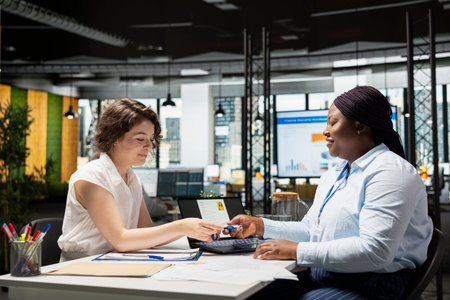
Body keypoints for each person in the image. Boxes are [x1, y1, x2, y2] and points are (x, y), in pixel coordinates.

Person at [226, 86, 434, 299]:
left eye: (333, 123)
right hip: (327, 273)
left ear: (359, 126)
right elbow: (311, 231)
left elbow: (375, 251)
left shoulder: (390, 172)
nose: (325, 130)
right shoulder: (336, 174)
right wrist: (260, 225)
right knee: (250, 293)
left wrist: (296, 250)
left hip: (372, 284)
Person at [58, 98, 222, 261]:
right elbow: (121, 240)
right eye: (140, 139)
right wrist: (181, 226)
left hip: (114, 261)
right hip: (82, 266)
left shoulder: (131, 178)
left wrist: (196, 229)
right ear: (114, 138)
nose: (149, 147)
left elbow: (146, 231)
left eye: (150, 139)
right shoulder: (91, 177)